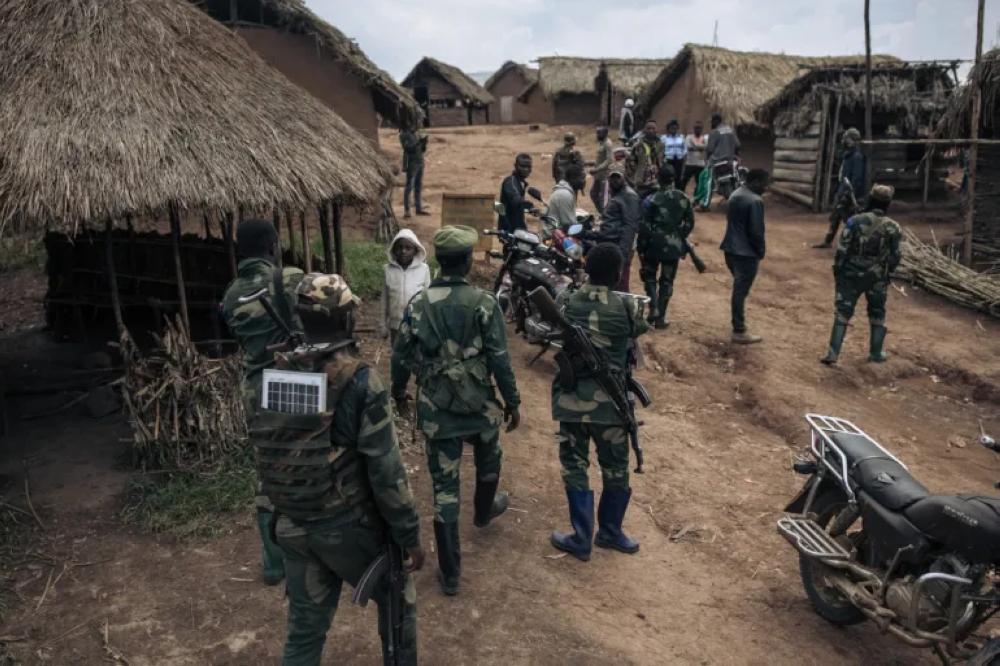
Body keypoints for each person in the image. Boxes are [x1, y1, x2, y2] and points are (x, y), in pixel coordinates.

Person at [258, 273, 424, 665]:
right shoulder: (361, 381)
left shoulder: (280, 371)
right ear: (347, 319)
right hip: (342, 527)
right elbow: (386, 471)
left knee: (304, 630)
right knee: (399, 602)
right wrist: (408, 534)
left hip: (292, 521)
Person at [391, 225, 522, 597]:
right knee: (489, 457)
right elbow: (500, 359)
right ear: (467, 262)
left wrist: (400, 392)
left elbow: (400, 356)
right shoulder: (484, 303)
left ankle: (450, 575)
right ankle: (483, 511)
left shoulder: (418, 304)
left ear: (438, 260)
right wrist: (512, 402)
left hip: (438, 410)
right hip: (480, 404)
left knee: (445, 489)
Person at [549, 242, 649, 562]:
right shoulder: (627, 308)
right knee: (616, 467)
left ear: (587, 269)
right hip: (611, 405)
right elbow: (640, 329)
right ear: (618, 275)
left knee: (575, 466)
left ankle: (580, 537)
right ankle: (610, 531)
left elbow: (553, 323)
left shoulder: (566, 300)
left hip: (572, 401)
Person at [221, 218, 305, 587]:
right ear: (273, 246)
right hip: (293, 384)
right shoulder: (291, 279)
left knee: (268, 471)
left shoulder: (230, 295)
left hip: (256, 391)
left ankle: (273, 562)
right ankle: (306, 550)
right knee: (306, 461)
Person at [820, 185, 902, 365]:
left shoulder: (854, 221)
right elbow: (896, 256)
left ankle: (833, 353)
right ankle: (876, 353)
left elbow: (842, 248)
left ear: (870, 199)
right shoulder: (893, 227)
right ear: (888, 203)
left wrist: (839, 270)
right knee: (877, 312)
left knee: (842, 312)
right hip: (877, 276)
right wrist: (886, 273)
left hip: (850, 274)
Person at [638, 164, 695, 329]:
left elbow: (644, 226)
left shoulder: (651, 199)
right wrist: (679, 236)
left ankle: (653, 308)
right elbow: (690, 223)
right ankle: (661, 317)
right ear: (673, 179)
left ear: (658, 179)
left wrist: (641, 246)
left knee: (649, 277)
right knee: (667, 281)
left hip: (653, 245)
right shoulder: (683, 198)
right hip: (673, 247)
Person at [720, 169, 769, 344]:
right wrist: (760, 250)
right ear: (755, 181)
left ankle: (738, 326)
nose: (765, 188)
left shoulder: (735, 194)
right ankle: (739, 330)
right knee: (740, 291)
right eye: (764, 184)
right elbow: (756, 231)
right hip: (746, 253)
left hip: (730, 249)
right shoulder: (755, 200)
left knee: (739, 289)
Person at [814, 127, 867, 248]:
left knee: (849, 219)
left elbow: (857, 179)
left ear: (853, 140)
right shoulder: (847, 155)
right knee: (835, 216)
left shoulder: (857, 157)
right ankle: (828, 241)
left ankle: (856, 244)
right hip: (842, 190)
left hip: (849, 194)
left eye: (847, 138)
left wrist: (848, 195)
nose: (845, 140)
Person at [595, 163, 642, 292]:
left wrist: (622, 254)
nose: (615, 181)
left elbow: (630, 226)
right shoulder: (616, 193)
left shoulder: (629, 196)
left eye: (618, 177)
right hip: (614, 243)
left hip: (622, 246)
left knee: (621, 285)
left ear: (624, 177)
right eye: (612, 178)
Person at [380, 229, 431, 344]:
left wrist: (428, 323)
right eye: (400, 247)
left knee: (415, 351)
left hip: (416, 323)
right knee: (397, 350)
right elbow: (384, 300)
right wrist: (382, 324)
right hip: (395, 325)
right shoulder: (388, 270)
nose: (403, 251)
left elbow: (428, 299)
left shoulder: (423, 270)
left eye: (408, 248)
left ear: (415, 250)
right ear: (394, 249)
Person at [499, 154, 543, 234]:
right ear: (515, 166)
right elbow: (515, 199)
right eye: (523, 166)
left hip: (518, 229)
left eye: (528, 167)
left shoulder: (520, 183)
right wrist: (530, 206)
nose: (526, 169)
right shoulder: (510, 182)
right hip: (509, 231)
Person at [543, 164, 586, 239]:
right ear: (573, 178)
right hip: (553, 238)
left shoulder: (566, 192)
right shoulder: (565, 195)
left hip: (558, 233)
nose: (584, 182)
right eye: (582, 178)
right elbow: (569, 225)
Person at [626, 120, 665, 199]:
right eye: (648, 128)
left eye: (653, 128)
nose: (651, 131)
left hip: (657, 181)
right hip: (641, 182)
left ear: (656, 130)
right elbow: (630, 162)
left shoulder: (661, 145)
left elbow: (662, 160)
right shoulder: (638, 145)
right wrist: (637, 174)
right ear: (644, 130)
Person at [399, 127, 430, 219]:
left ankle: (418, 208)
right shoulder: (404, 134)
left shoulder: (415, 133)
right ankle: (407, 210)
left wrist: (424, 142)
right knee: (409, 186)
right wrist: (418, 142)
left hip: (419, 161)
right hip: (411, 163)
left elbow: (422, 149)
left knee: (418, 186)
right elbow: (408, 148)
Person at [589, 126, 614, 215]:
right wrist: (590, 163)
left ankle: (605, 215)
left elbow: (609, 160)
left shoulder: (608, 144)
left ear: (605, 134)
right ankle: (602, 214)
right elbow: (600, 159)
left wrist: (597, 169)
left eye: (599, 133)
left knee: (603, 198)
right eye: (597, 133)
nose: (597, 135)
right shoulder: (601, 143)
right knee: (593, 194)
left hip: (604, 175)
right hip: (598, 175)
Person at [680, 121, 707, 193]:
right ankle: (681, 194)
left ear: (702, 129)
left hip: (700, 164)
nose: (697, 129)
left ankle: (697, 196)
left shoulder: (704, 138)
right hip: (690, 163)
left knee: (700, 183)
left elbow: (706, 148)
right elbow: (689, 147)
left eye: (699, 128)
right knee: (684, 181)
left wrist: (695, 147)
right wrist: (700, 148)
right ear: (693, 129)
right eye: (696, 128)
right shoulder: (689, 137)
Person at [660, 119, 687, 189]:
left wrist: (684, 162)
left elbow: (684, 151)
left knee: (678, 179)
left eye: (675, 128)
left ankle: (677, 193)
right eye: (672, 128)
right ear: (668, 128)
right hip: (668, 161)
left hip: (679, 161)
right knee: (668, 179)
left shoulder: (681, 137)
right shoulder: (664, 138)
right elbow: (661, 151)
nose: (674, 130)